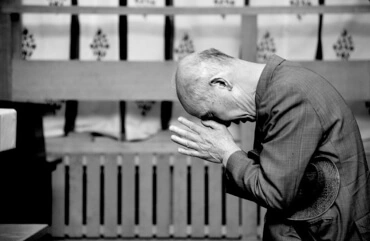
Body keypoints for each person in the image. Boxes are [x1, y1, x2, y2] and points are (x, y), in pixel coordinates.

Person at [169, 48, 370, 240]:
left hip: (330, 232)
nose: (224, 123)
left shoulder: (289, 93)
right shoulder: (276, 87)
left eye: (211, 114)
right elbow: (276, 175)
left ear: (221, 83)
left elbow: (276, 193)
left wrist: (228, 152)